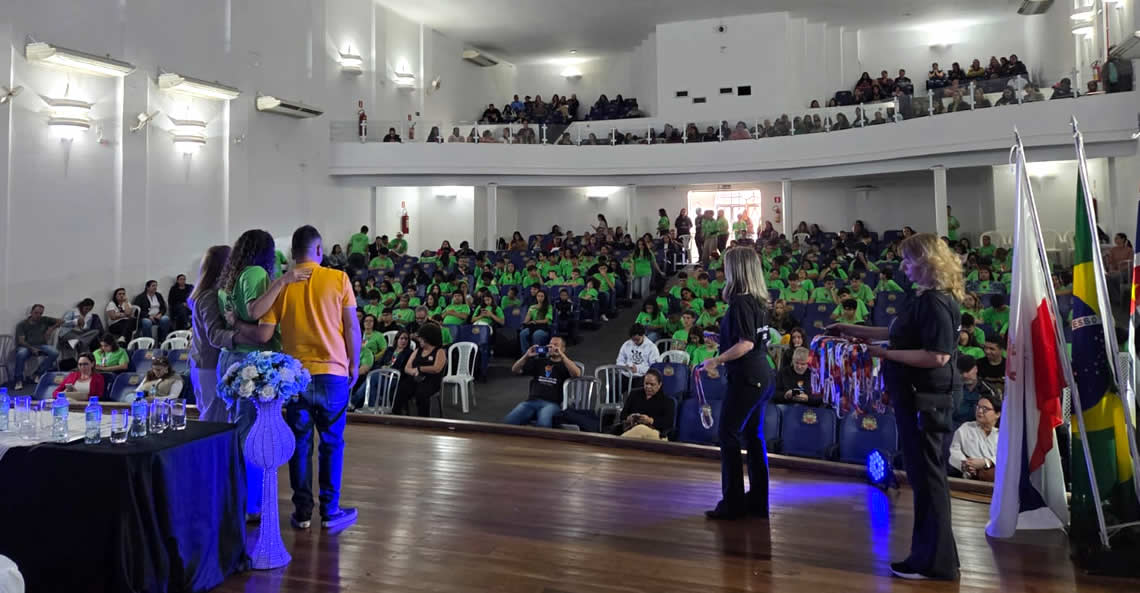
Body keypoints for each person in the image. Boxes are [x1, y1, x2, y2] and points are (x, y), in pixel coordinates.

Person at [830, 233, 960, 580]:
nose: (902, 267)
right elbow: (893, 332)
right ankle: (937, 556)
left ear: (927, 261)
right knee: (926, 479)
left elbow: (937, 355)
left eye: (908, 260)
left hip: (927, 400)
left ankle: (933, 562)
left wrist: (885, 354)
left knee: (929, 481)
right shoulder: (923, 299)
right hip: (917, 398)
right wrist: (849, 329)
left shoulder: (935, 302)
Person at [254, 225, 360, 531]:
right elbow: (351, 326)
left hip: (294, 377)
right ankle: (330, 511)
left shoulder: (281, 285)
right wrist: (353, 364)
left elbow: (266, 333)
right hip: (332, 373)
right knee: (331, 442)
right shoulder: (338, 278)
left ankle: (302, 513)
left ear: (292, 254)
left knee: (300, 444)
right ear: (318, 250)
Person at [220, 229, 313, 522]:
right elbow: (256, 312)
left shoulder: (231, 277)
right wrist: (283, 281)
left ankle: (240, 498)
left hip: (234, 357)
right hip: (249, 360)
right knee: (252, 434)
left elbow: (240, 317)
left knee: (241, 430)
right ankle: (250, 505)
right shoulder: (255, 273)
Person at [699, 247, 773, 520]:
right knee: (753, 437)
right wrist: (722, 340)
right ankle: (757, 500)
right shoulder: (758, 300)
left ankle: (732, 502)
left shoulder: (740, 301)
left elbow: (746, 344)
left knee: (728, 434)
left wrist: (717, 360)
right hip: (762, 374)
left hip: (746, 376)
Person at [190, 245, 241, 422]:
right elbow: (214, 335)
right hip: (209, 365)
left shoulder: (213, 294)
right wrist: (242, 336)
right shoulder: (209, 296)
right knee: (213, 419)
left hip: (207, 364)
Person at [504, 337, 582, 427]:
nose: (552, 347)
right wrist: (526, 356)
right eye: (550, 344)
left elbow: (577, 374)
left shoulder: (565, 365)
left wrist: (562, 355)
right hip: (531, 402)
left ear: (563, 349)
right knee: (509, 421)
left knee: (543, 424)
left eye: (556, 345)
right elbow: (515, 370)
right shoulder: (540, 362)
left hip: (551, 403)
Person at [949, 392, 1001, 481]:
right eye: (978, 407)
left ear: (997, 414)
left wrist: (986, 462)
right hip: (970, 472)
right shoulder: (966, 428)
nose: (980, 411)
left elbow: (1006, 457)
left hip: (995, 474)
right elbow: (954, 451)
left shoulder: (1002, 434)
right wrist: (965, 465)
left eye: (985, 409)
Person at [12, 304, 63, 391]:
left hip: (41, 345)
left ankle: (38, 374)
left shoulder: (44, 319)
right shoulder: (22, 324)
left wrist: (51, 328)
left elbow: (61, 321)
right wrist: (32, 348)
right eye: (36, 313)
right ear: (31, 312)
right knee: (21, 354)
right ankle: (18, 380)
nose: (38, 315)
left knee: (55, 352)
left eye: (40, 313)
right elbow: (21, 341)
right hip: (26, 346)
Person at [614, 368, 674, 439]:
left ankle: (616, 442)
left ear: (659, 385)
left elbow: (668, 423)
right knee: (614, 429)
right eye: (646, 383)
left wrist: (650, 420)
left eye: (652, 384)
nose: (648, 386)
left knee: (641, 429)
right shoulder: (634, 394)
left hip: (656, 434)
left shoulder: (667, 401)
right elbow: (623, 415)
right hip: (632, 429)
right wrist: (629, 418)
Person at [403, 322, 446, 417]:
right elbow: (407, 368)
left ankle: (423, 419)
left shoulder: (440, 351)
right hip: (415, 378)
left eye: (421, 338)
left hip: (431, 381)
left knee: (421, 393)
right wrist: (413, 372)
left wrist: (420, 369)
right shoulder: (418, 350)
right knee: (402, 388)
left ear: (428, 338)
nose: (419, 340)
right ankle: (401, 415)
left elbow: (436, 369)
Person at [58, 298, 102, 363]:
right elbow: (63, 323)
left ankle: (80, 342)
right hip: (68, 332)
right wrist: (76, 322)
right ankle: (81, 343)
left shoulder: (89, 316)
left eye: (89, 309)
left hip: (80, 333)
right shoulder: (72, 312)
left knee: (96, 331)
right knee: (84, 344)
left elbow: (86, 328)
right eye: (86, 308)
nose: (87, 311)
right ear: (82, 306)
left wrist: (83, 327)